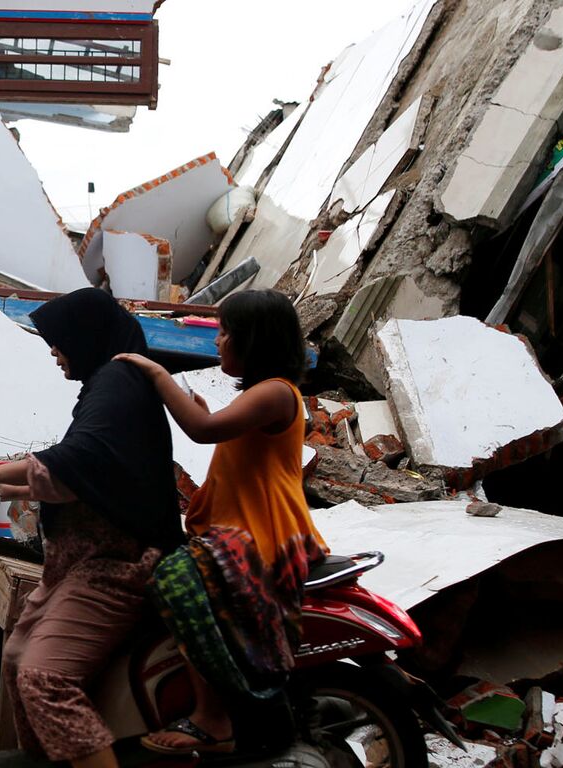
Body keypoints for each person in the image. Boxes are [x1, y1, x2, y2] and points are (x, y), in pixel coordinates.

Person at [0, 288, 180, 768]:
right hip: (77, 564)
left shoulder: (116, 384)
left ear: (84, 336)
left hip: (113, 568)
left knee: (44, 678)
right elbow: (86, 476)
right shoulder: (105, 385)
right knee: (14, 658)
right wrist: (4, 487)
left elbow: (78, 462)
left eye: (58, 342)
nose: (54, 352)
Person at [113, 289, 328, 756]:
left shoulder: (274, 393)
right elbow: (227, 438)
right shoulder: (262, 394)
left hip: (261, 535)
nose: (218, 342)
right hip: (240, 527)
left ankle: (214, 718)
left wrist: (156, 372)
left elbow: (203, 431)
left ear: (256, 339)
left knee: (174, 580)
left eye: (226, 332)